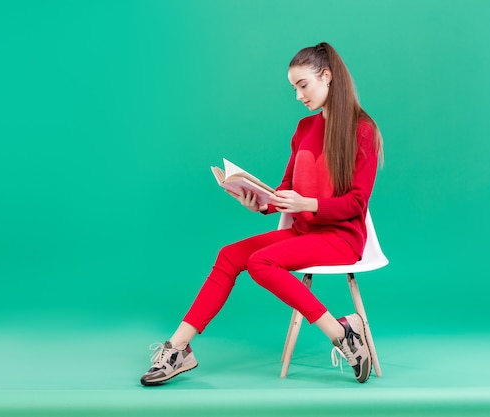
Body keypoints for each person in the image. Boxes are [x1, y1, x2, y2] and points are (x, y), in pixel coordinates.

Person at [140, 42, 383, 386]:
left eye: (303, 85)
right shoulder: (303, 129)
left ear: (327, 77)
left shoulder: (363, 130)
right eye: (294, 88)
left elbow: (357, 203)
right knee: (228, 255)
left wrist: (308, 204)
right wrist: (262, 202)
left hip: (341, 238)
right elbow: (286, 189)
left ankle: (341, 331)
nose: (299, 95)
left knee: (261, 262)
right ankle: (179, 349)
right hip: (304, 233)